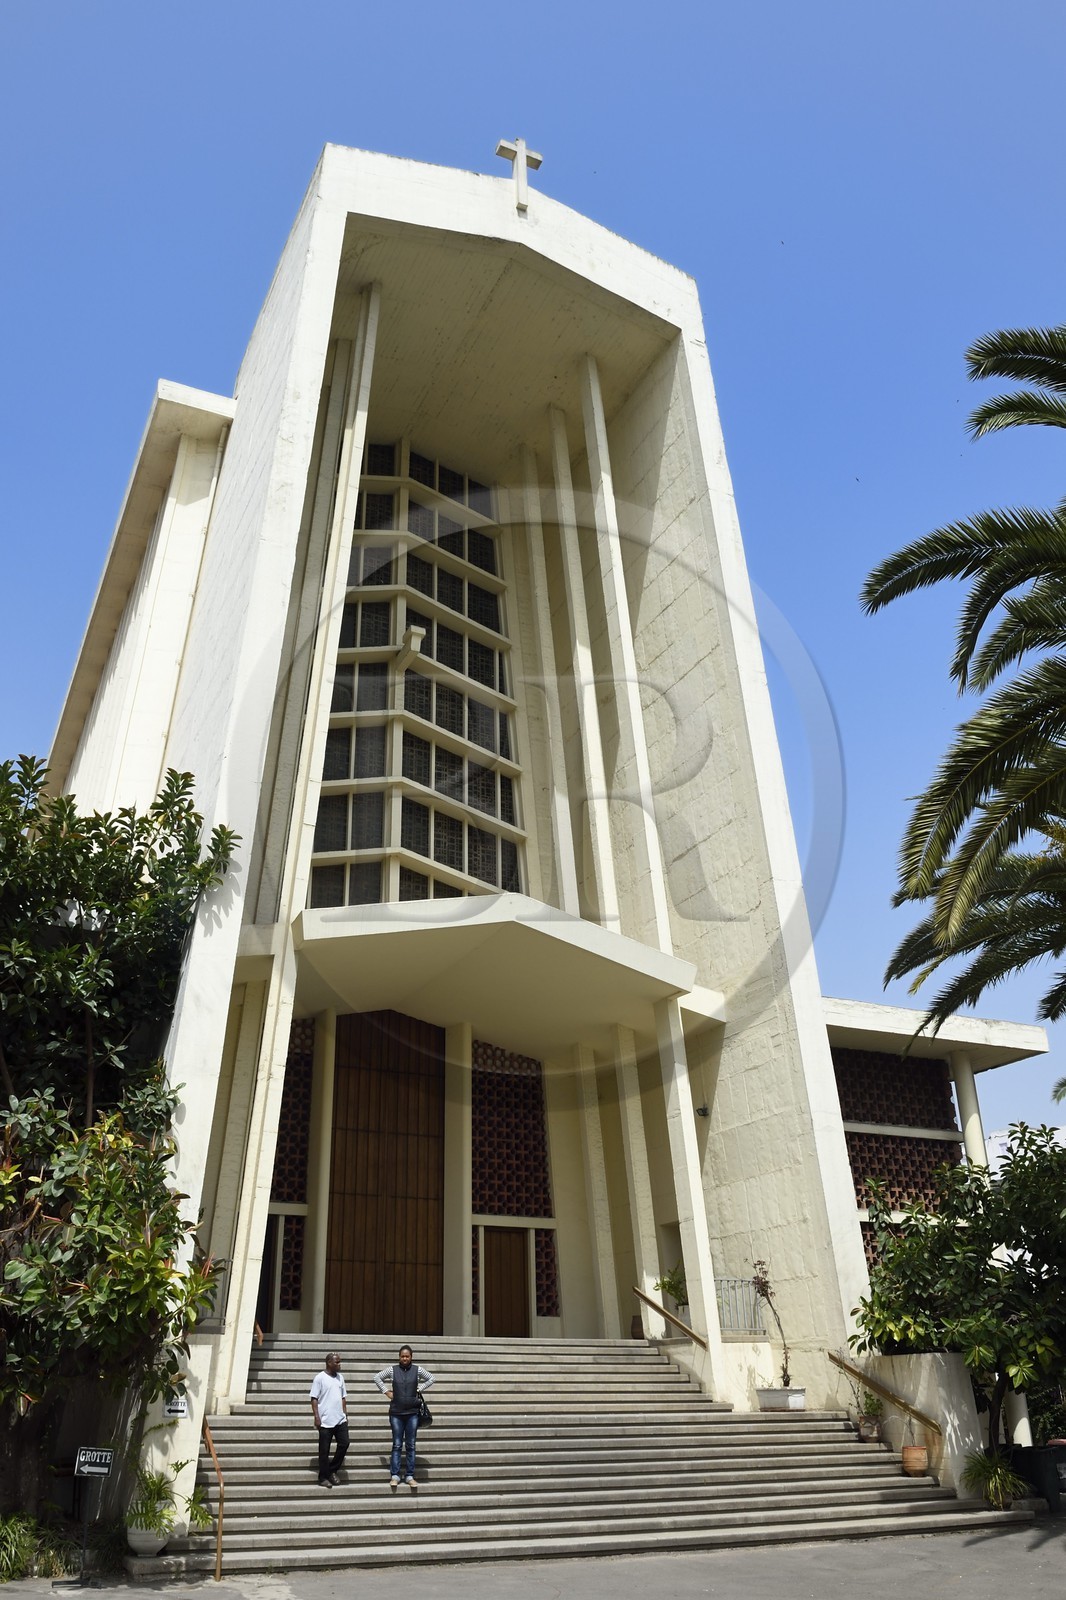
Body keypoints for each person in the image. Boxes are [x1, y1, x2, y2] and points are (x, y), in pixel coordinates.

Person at [373, 1344, 434, 1490]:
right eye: (402, 1356)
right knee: (397, 1444)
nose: (405, 1358)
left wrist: (419, 1389)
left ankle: (409, 1475)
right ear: (399, 1357)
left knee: (411, 1445)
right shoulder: (392, 1370)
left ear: (411, 1357)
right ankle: (395, 1475)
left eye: (407, 1356)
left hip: (412, 1413)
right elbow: (377, 1377)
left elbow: (431, 1378)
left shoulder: (417, 1370)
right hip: (396, 1413)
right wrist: (386, 1392)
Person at [309, 1350, 349, 1487]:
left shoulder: (340, 1378)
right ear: (329, 1363)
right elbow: (314, 1398)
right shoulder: (319, 1378)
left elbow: (343, 1397)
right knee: (324, 1451)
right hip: (325, 1421)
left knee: (344, 1444)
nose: (339, 1364)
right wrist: (316, 1417)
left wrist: (345, 1414)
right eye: (337, 1362)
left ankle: (332, 1470)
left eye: (339, 1361)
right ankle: (323, 1477)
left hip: (340, 1419)